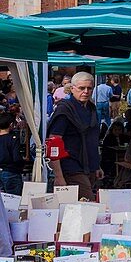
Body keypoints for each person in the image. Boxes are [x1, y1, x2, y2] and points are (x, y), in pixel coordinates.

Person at [47, 71, 104, 200]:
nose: (86, 91)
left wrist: (97, 166)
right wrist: (58, 176)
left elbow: (92, 139)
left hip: (89, 166)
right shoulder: (65, 109)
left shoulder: (91, 108)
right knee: (89, 205)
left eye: (89, 88)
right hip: (71, 167)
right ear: (72, 89)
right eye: (81, 88)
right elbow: (54, 143)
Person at [0, 112, 24, 194]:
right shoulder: (13, 138)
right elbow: (16, 157)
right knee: (13, 202)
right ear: (11, 125)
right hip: (11, 171)